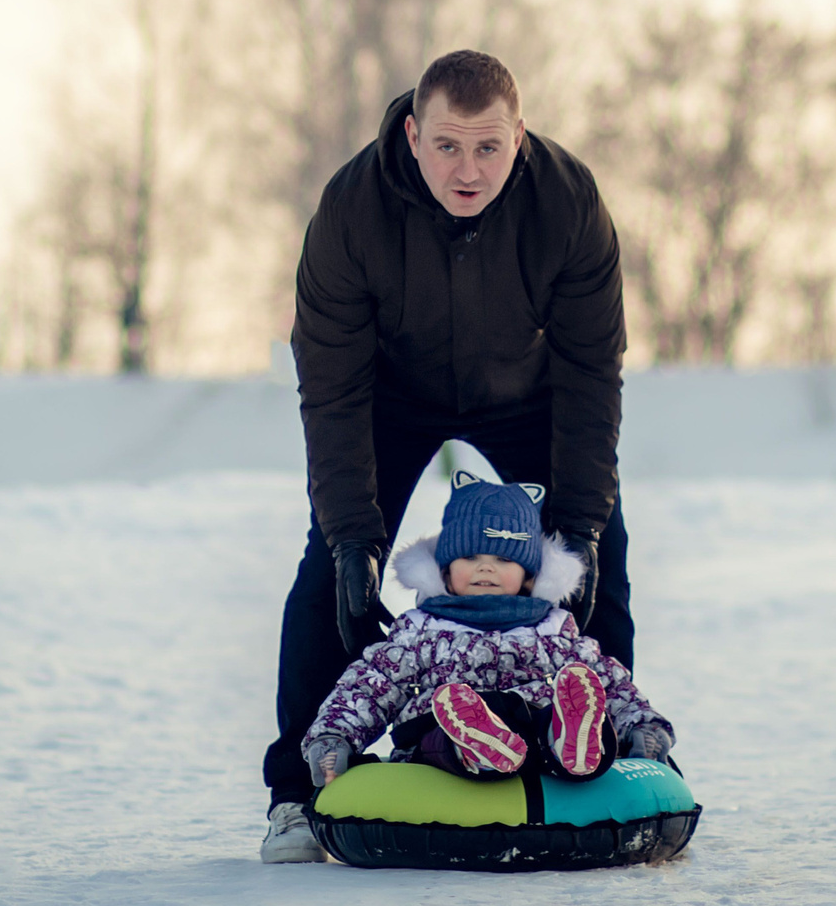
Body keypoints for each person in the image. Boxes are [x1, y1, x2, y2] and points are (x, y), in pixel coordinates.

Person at [261, 49, 634, 863]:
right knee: (330, 574)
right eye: (448, 146)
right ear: (412, 134)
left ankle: (616, 751)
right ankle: (296, 791)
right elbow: (331, 390)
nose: (468, 170)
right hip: (391, 399)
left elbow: (590, 375)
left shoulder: (567, 203)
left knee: (592, 559)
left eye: (489, 147)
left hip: (527, 395)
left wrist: (580, 524)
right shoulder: (352, 211)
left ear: (519, 137)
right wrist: (353, 536)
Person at [299, 477, 672, 789]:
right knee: (436, 736)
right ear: (445, 570)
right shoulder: (419, 631)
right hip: (441, 739)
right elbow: (370, 686)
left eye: (504, 559)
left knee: (556, 711)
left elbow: (608, 682)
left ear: (529, 576)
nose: (486, 568)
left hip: (530, 738)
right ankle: (477, 746)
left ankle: (568, 743)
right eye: (470, 557)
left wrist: (642, 727)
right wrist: (335, 738)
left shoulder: (554, 630)